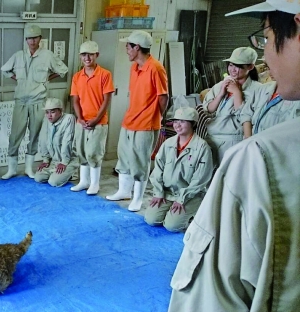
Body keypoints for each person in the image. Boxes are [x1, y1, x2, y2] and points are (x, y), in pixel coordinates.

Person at [160, 2, 300, 312]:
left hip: (238, 156)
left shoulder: (261, 158)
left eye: (267, 38)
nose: (267, 53)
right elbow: (202, 113)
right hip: (223, 154)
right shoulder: (225, 93)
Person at [106, 30, 169, 212]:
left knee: (140, 161)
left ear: (137, 47)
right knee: (124, 158)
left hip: (146, 124)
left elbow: (163, 97)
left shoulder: (156, 67)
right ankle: (124, 191)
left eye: (128, 46)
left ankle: (138, 198)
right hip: (129, 121)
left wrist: (157, 117)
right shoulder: (134, 67)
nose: (126, 49)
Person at [0, 24, 69, 179]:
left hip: (39, 100)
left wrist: (46, 80)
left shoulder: (47, 55)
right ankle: (12, 169)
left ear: (40, 39)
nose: (32, 41)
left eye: (35, 38)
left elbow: (63, 70)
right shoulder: (18, 56)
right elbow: (5, 70)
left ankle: (28, 168)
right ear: (26, 40)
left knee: (35, 134)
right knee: (15, 134)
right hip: (21, 101)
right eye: (29, 38)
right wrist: (16, 78)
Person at [144, 107, 213, 233]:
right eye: (175, 121)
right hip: (167, 193)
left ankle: (195, 211)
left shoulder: (202, 147)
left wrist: (182, 199)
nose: (177, 125)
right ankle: (171, 209)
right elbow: (158, 169)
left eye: (182, 121)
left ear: (193, 124)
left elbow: (200, 179)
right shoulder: (168, 143)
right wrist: (158, 193)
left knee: (172, 226)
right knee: (151, 220)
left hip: (190, 195)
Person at [202, 46, 262, 165]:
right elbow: (208, 110)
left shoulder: (258, 89)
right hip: (211, 138)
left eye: (239, 66)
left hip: (234, 140)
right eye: (231, 65)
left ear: (250, 67)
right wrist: (220, 94)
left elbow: (245, 118)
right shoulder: (220, 85)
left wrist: (237, 93)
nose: (233, 69)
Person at [69, 41, 114, 195]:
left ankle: (95, 183)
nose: (87, 58)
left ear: (97, 55)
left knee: (93, 152)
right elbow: (75, 99)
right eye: (83, 54)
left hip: (98, 122)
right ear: (80, 56)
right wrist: (80, 118)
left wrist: (95, 120)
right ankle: (84, 181)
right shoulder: (77, 77)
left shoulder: (105, 75)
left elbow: (106, 100)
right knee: (81, 152)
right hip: (81, 122)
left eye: (90, 54)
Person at [34, 98, 77, 187]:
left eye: (52, 112)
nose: (49, 115)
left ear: (61, 111)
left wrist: (64, 162)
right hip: (55, 160)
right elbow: (43, 140)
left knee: (53, 182)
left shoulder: (69, 119)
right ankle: (56, 172)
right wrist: (46, 160)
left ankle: (73, 172)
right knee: (38, 177)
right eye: (47, 112)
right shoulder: (47, 120)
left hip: (68, 160)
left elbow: (67, 142)